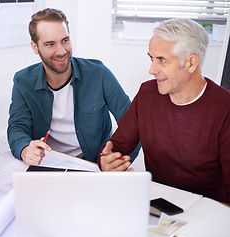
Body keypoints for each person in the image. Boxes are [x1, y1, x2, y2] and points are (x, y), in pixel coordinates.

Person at [99, 18, 230, 204]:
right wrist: (106, 162)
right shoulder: (147, 94)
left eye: (162, 60)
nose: (152, 70)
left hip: (206, 214)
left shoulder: (225, 109)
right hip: (157, 206)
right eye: (151, 58)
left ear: (191, 63)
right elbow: (117, 147)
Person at [7, 8, 139, 165]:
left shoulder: (99, 73)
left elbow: (132, 124)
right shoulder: (23, 81)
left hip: (93, 165)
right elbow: (17, 127)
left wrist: (115, 159)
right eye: (50, 44)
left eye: (65, 40)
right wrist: (25, 149)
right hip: (48, 163)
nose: (61, 51)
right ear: (35, 47)